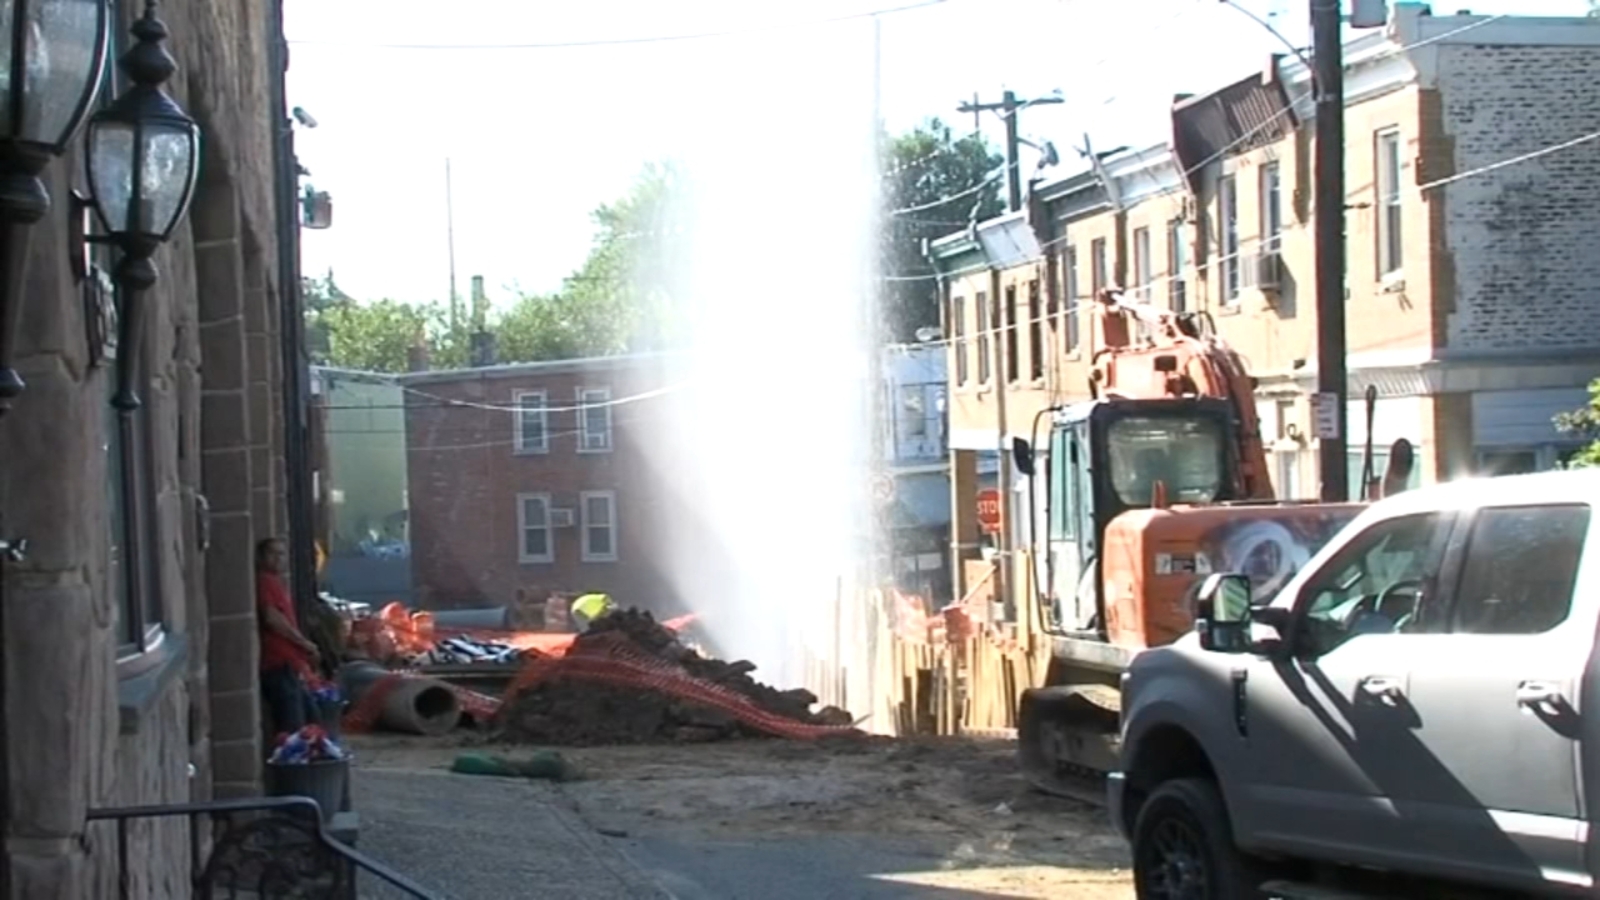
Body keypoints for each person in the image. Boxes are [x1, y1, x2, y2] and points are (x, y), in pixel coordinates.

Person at [257, 537, 321, 735]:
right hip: (278, 667)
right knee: (293, 728)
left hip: (290, 666)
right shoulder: (265, 581)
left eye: (281, 554)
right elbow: (273, 618)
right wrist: (303, 643)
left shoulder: (276, 583)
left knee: (311, 721)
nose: (277, 559)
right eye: (272, 554)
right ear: (261, 557)